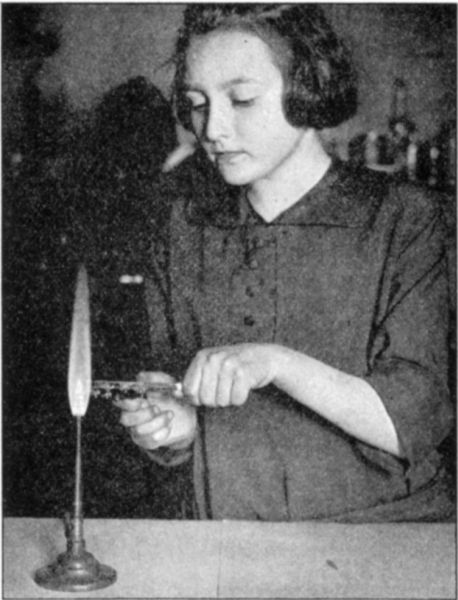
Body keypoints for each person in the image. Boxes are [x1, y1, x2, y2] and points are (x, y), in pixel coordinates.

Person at [116, 4, 454, 521]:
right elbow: (179, 406)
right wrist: (174, 432)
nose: (212, 128)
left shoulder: (404, 217)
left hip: (385, 533)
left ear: (307, 89)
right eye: (197, 103)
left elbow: (415, 420)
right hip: (225, 534)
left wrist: (275, 363)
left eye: (242, 99)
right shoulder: (180, 227)